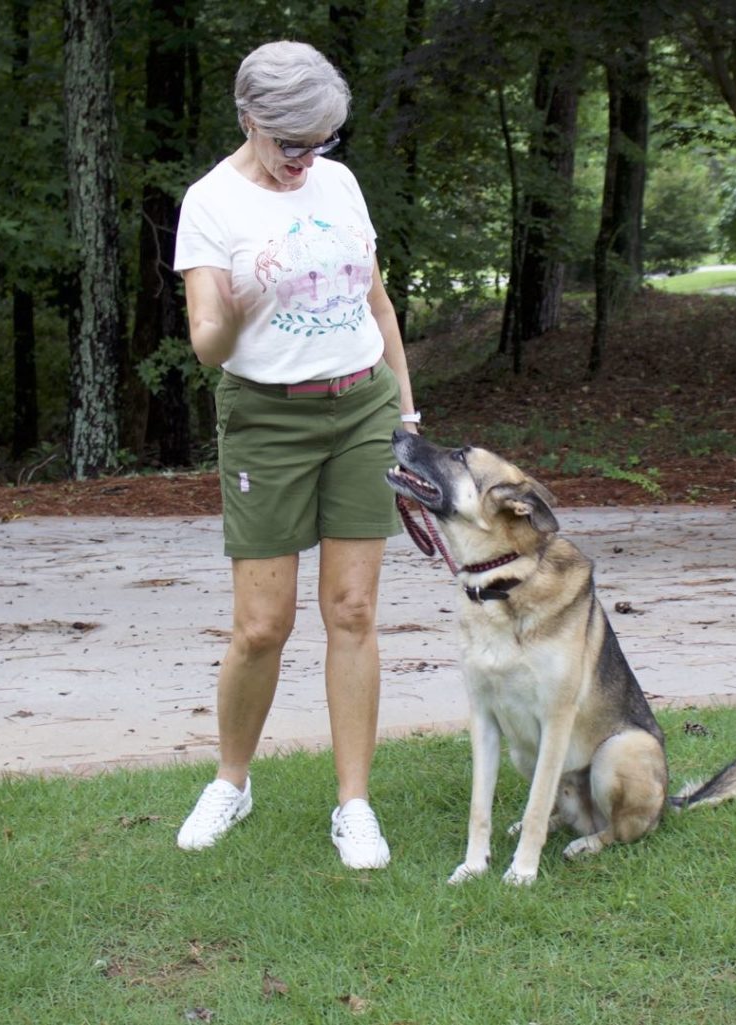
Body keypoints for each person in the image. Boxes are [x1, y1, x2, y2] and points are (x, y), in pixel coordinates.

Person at [172, 40, 420, 869]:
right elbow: (207, 346)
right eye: (290, 144)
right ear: (250, 120)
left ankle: (354, 804)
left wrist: (407, 412)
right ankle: (231, 782)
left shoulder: (338, 183)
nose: (305, 160)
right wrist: (239, 309)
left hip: (359, 406)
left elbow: (377, 305)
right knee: (260, 625)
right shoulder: (210, 204)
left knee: (351, 612)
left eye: (320, 142)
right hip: (266, 419)